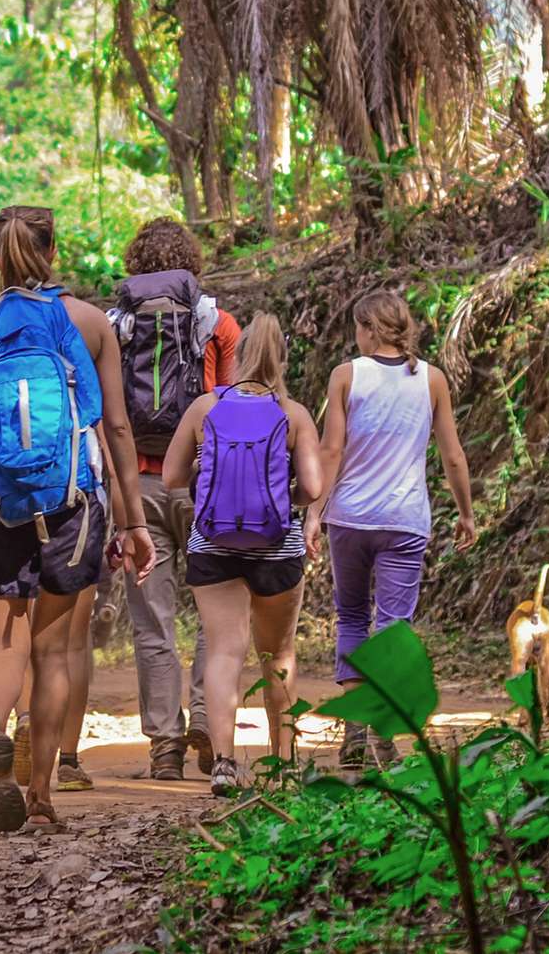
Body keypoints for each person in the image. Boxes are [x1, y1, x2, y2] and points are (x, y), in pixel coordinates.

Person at [0, 205, 155, 833]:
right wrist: (133, 522)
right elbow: (112, 424)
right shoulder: (86, 322)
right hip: (72, 505)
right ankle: (40, 796)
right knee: (56, 651)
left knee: (4, 642)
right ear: (52, 250)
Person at [305, 287, 478, 767]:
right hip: (404, 521)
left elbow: (331, 451)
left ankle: (356, 729)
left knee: (353, 617)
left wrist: (315, 513)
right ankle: (384, 730)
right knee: (393, 625)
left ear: (366, 329)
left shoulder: (346, 376)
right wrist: (466, 513)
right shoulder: (432, 380)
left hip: (350, 518)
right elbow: (452, 455)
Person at [161, 312, 326, 794]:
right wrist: (282, 499)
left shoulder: (205, 408)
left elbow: (171, 477)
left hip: (213, 546)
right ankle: (286, 764)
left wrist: (205, 473)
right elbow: (313, 487)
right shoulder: (293, 414)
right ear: (282, 358)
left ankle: (225, 765)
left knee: (224, 652)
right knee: (279, 654)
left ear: (238, 356)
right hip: (276, 548)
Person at [109, 218, 242, 780]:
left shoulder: (115, 326)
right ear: (192, 261)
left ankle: (164, 744)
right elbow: (232, 409)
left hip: (138, 486)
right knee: (217, 618)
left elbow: (110, 418)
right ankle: (209, 729)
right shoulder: (219, 324)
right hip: (203, 483)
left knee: (152, 622)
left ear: (135, 264)